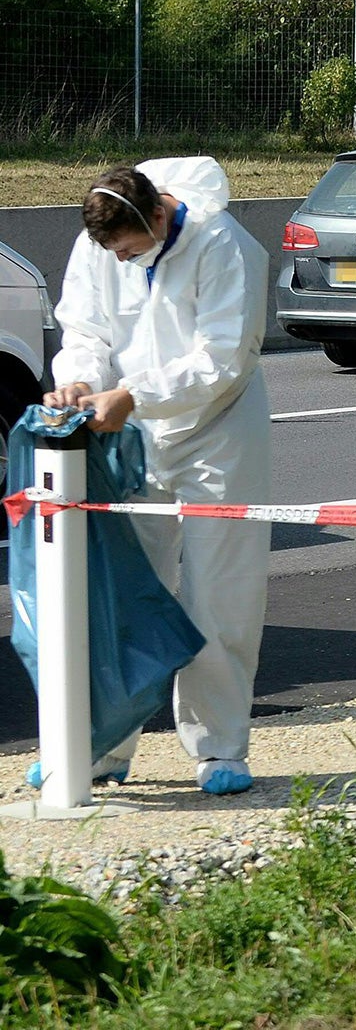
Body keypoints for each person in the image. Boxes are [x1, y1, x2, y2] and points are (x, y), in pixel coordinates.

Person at [42, 158, 272, 796]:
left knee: (218, 594)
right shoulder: (101, 244)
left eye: (132, 251)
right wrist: (81, 376)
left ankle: (219, 749)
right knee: (126, 592)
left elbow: (223, 358)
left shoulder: (225, 244)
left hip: (219, 432)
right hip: (136, 431)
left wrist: (133, 394)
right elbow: (84, 325)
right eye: (112, 253)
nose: (123, 262)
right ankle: (100, 745)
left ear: (163, 213)